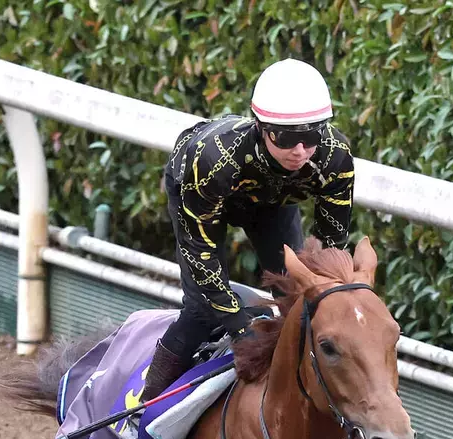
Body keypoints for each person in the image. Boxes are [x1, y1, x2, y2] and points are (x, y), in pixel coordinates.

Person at [141, 58, 355, 400]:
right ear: (261, 127)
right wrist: (241, 330)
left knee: (299, 293)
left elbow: (332, 247)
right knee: (202, 309)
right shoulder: (213, 161)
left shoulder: (335, 156)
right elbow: (202, 254)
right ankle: (142, 408)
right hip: (202, 187)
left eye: (311, 135)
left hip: (272, 202)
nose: (300, 151)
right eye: (285, 138)